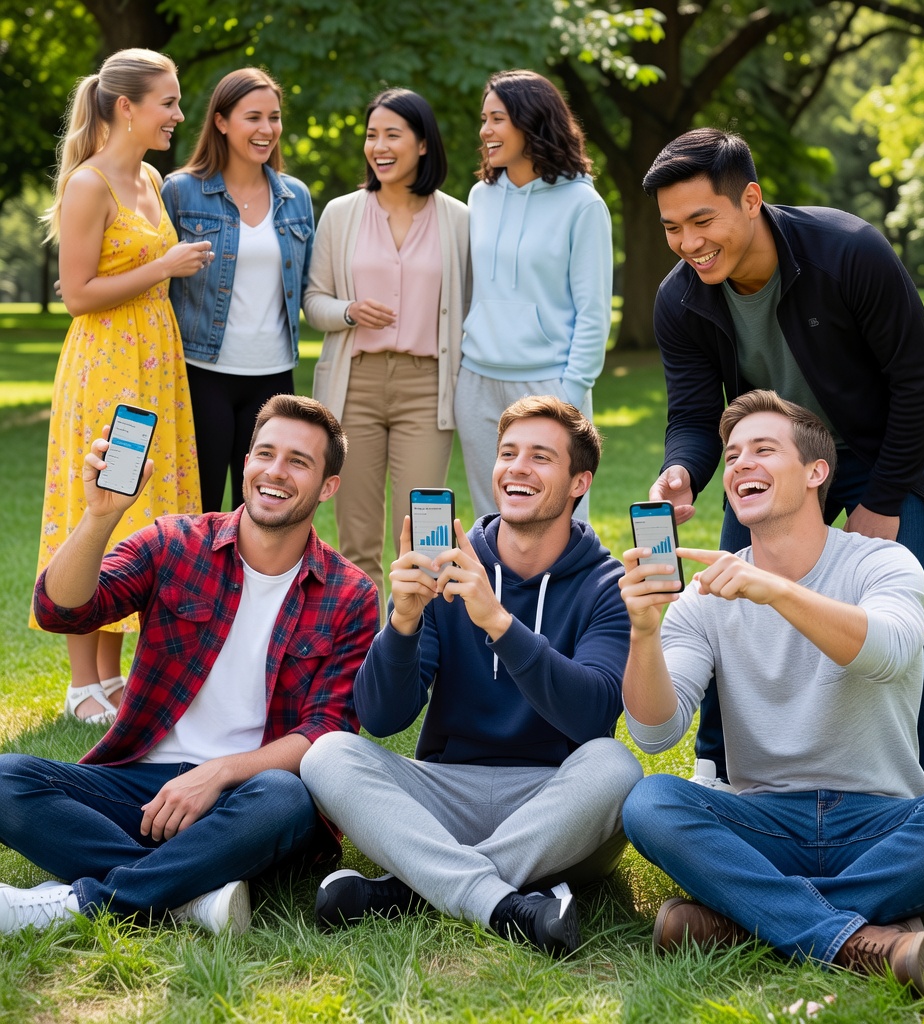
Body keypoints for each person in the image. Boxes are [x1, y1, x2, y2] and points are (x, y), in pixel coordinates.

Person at [619, 390, 924, 996]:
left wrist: (774, 590)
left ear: (816, 472)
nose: (741, 462)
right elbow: (655, 731)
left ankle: (745, 919)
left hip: (879, 817)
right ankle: (852, 938)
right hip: (764, 819)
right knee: (649, 803)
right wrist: (644, 632)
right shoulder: (704, 596)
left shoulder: (884, 565)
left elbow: (891, 652)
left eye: (763, 449)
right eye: (733, 453)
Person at [0, 395, 378, 936]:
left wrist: (217, 773)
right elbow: (61, 610)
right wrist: (98, 516)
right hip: (142, 789)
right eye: (265, 453)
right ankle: (190, 894)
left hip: (248, 796)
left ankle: (83, 903)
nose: (275, 471)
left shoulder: (350, 594)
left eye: (299, 461)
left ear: (328, 486)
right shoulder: (176, 542)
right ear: (245, 462)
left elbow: (325, 733)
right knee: (6, 780)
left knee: (287, 797)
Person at [644, 128, 924, 781]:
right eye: (672, 228)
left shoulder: (849, 252)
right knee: (733, 604)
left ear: (750, 198)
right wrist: (682, 469)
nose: (689, 243)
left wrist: (883, 500)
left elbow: (918, 383)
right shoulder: (679, 299)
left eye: (703, 219)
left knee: (888, 621)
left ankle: (905, 786)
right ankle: (719, 769)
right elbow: (695, 416)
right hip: (771, 459)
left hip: (885, 449)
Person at [300, 395, 643, 956]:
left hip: (556, 802)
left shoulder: (606, 585)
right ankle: (502, 903)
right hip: (448, 790)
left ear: (579, 482)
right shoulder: (446, 569)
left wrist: (499, 623)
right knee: (327, 755)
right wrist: (403, 621)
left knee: (616, 766)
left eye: (540, 457)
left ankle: (411, 890)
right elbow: (384, 719)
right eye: (508, 453)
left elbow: (593, 715)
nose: (517, 468)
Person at [33, 48, 207, 725]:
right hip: (106, 364)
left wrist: (164, 270)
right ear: (126, 106)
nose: (178, 114)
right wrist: (164, 264)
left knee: (139, 510)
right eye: (168, 102)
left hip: (155, 362)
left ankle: (111, 677)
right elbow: (77, 294)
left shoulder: (153, 179)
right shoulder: (88, 185)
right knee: (100, 501)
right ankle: (83, 681)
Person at [305, 88, 470, 617]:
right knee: (356, 538)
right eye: (372, 135)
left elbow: (470, 307)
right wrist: (349, 310)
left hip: (428, 387)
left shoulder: (458, 219)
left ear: (422, 144)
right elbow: (313, 301)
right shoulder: (341, 213)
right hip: (354, 385)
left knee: (424, 533)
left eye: (392, 134)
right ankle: (363, 660)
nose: (379, 146)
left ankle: (416, 652)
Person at [455, 69, 612, 522]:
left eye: (497, 118)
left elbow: (593, 311)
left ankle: (571, 596)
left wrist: (571, 393)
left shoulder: (583, 204)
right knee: (494, 518)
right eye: (483, 119)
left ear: (532, 121)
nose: (485, 131)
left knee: (561, 518)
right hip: (479, 382)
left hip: (548, 384)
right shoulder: (480, 196)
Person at [162, 68, 315, 514]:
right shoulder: (180, 191)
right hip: (201, 371)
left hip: (273, 376)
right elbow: (156, 272)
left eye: (274, 117)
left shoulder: (296, 197)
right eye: (253, 117)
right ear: (222, 122)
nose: (267, 129)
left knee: (261, 508)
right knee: (202, 505)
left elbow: (307, 285)